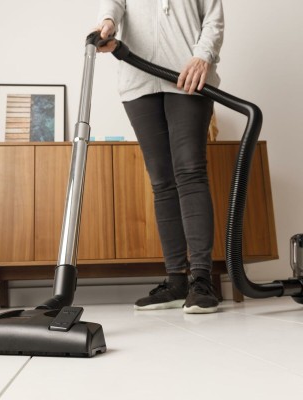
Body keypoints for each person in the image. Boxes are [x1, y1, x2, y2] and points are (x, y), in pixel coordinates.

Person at [96, 0, 224, 314]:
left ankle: (201, 280)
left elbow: (213, 18)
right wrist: (107, 23)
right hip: (138, 80)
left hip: (188, 76)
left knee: (190, 172)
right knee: (162, 182)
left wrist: (203, 56)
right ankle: (176, 281)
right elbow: (114, 4)